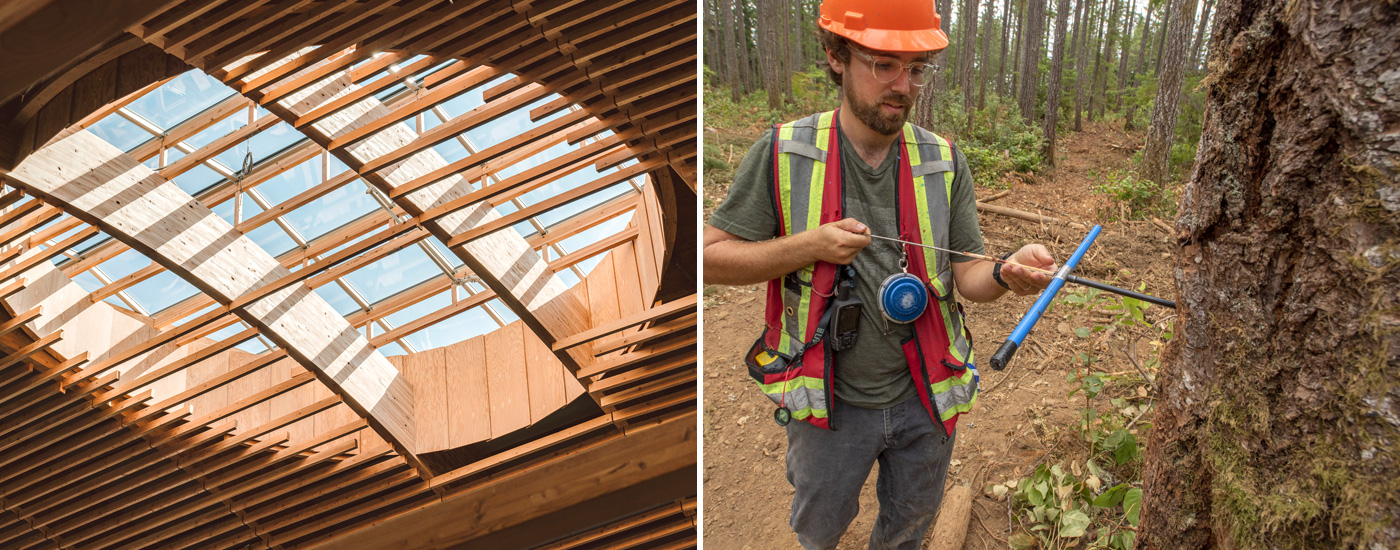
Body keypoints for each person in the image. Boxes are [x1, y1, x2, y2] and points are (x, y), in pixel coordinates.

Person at [702, 0, 1058, 548]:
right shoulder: (784, 153)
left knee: (908, 529)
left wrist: (1009, 275)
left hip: (928, 394)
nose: (904, 85)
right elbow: (710, 258)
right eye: (884, 64)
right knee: (819, 529)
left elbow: (970, 276)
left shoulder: (943, 161)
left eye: (916, 69)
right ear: (837, 56)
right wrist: (809, 246)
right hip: (828, 402)